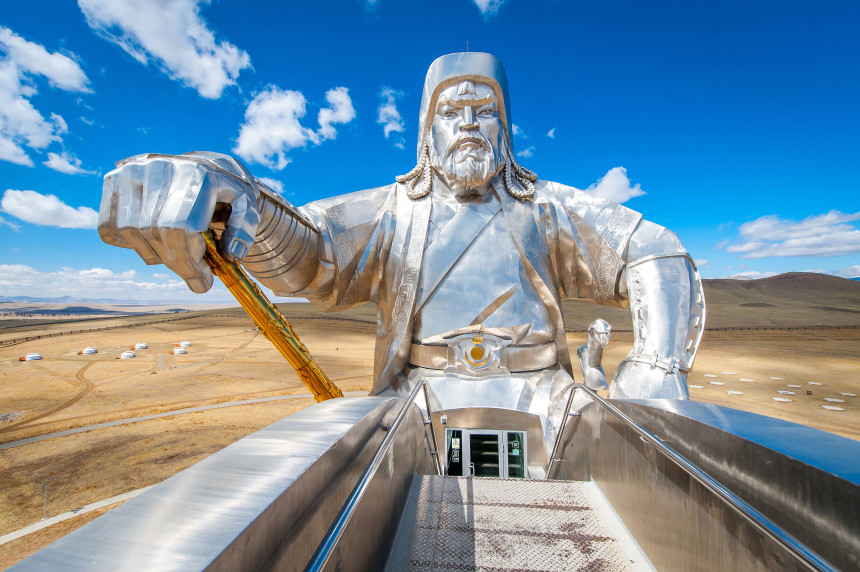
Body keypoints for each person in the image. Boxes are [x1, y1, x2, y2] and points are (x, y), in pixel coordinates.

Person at [99, 52, 704, 447]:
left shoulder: (543, 206)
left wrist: (659, 364)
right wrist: (234, 191)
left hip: (543, 398)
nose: (469, 122)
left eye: (485, 111)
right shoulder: (392, 211)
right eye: (452, 111)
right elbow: (312, 255)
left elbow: (653, 248)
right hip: (415, 398)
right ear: (427, 130)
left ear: (505, 127)